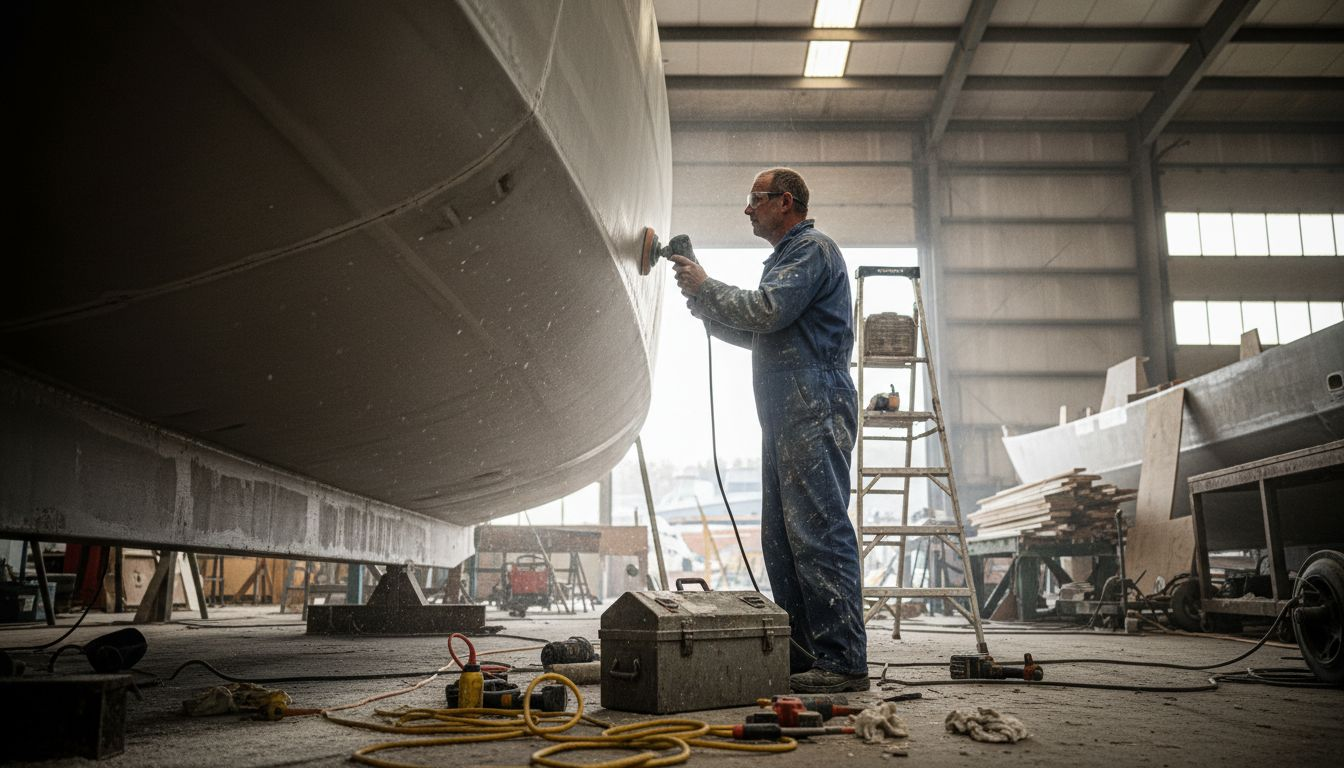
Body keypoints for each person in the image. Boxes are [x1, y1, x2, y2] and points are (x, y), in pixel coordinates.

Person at [669, 167, 868, 693]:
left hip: (813, 404)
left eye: (754, 199)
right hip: (786, 412)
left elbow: (767, 309)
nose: (747, 209)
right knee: (782, 540)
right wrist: (702, 300)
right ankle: (805, 655)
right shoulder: (786, 259)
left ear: (785, 202)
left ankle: (843, 660)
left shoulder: (811, 251)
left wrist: (708, 287)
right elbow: (761, 329)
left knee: (818, 533)